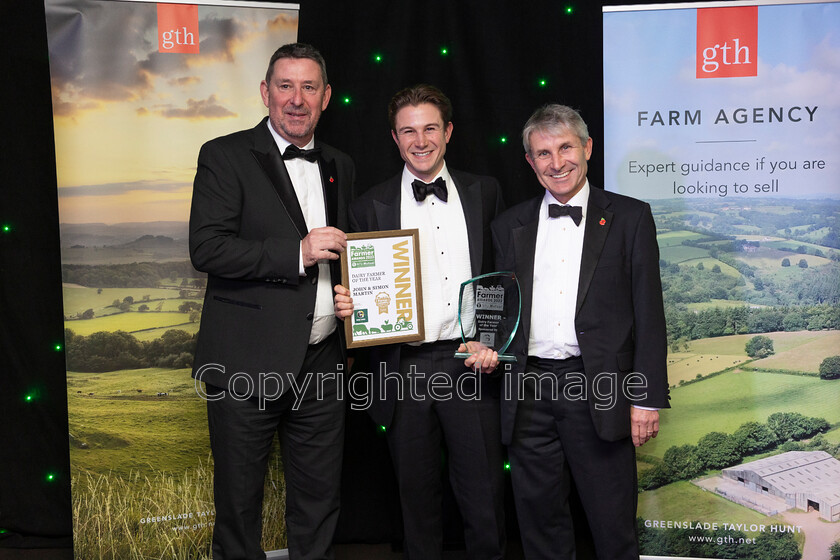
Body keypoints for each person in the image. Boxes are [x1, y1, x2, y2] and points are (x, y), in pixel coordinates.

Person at [189, 43, 355, 560]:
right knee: (238, 508)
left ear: (326, 97)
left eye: (309, 87)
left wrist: (352, 297)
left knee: (319, 503)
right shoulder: (224, 154)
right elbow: (207, 247)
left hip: (323, 362)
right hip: (246, 358)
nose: (297, 99)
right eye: (285, 86)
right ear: (265, 92)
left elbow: (345, 252)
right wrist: (297, 253)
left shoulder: (340, 164)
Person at [334, 84, 506, 560]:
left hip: (469, 363)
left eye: (430, 127)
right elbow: (363, 285)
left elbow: (503, 275)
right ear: (395, 138)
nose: (421, 139)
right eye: (409, 130)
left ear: (448, 132)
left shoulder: (484, 191)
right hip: (401, 368)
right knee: (416, 501)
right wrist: (352, 307)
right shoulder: (369, 205)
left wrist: (490, 341)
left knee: (485, 497)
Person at [491, 104, 670, 560]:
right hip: (528, 390)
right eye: (543, 153)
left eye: (566, 147)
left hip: (601, 389)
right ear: (530, 163)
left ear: (588, 148)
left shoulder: (630, 217)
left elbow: (649, 314)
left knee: (612, 528)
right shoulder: (508, 225)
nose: (557, 162)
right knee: (540, 526)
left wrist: (646, 397)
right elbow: (499, 309)